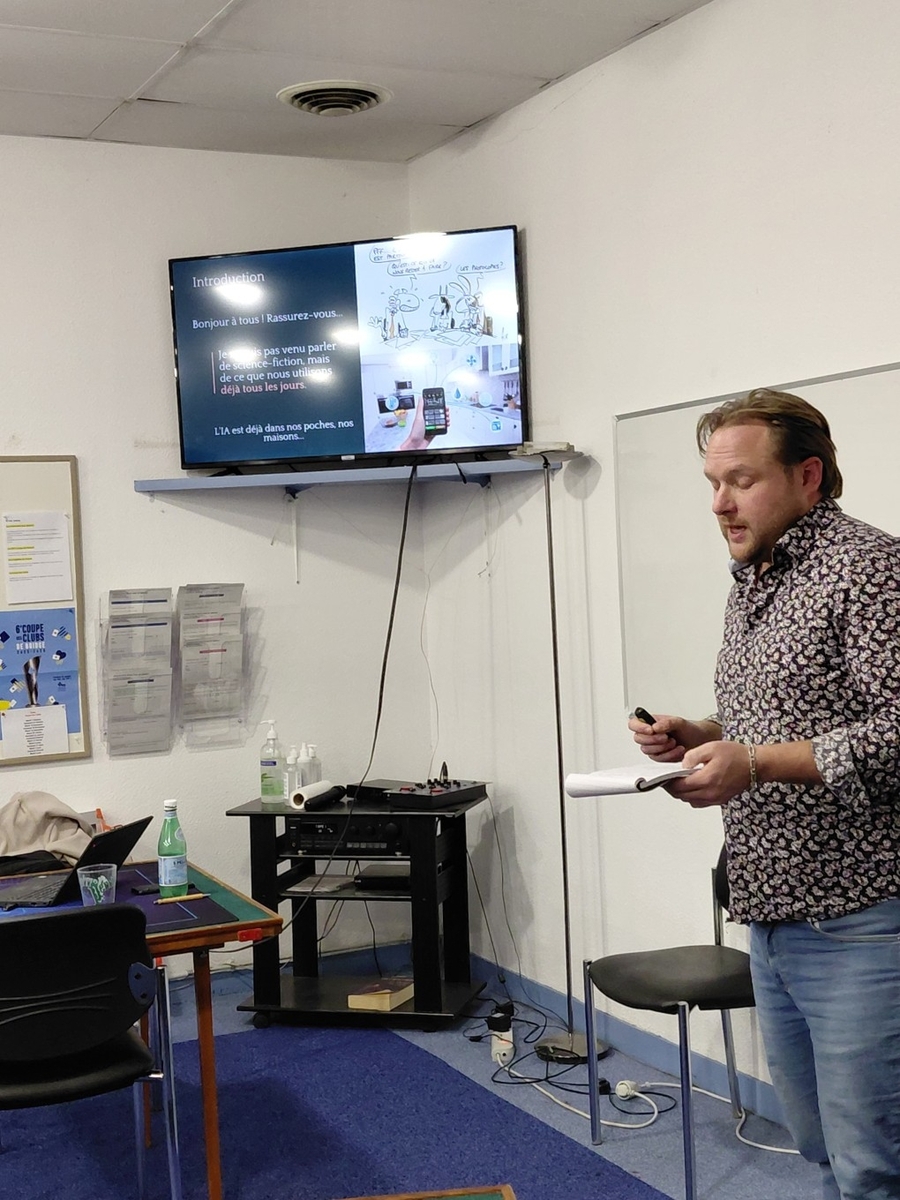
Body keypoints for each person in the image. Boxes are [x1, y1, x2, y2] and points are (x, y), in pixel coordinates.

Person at [629, 388, 900, 1200]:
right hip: (774, 916)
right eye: (713, 483)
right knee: (819, 1148)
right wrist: (701, 732)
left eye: (741, 481)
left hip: (861, 918)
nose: (720, 503)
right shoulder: (757, 578)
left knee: (874, 1164)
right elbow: (787, 713)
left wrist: (755, 763)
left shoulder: (870, 570)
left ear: (808, 476)